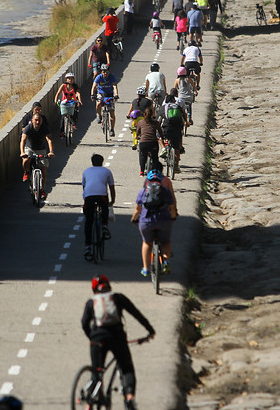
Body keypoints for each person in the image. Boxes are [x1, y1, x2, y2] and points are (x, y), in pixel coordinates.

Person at [81, 275, 155, 410]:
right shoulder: (117, 298)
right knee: (126, 368)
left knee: (97, 372)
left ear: (94, 290)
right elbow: (136, 313)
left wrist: (92, 337)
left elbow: (84, 323)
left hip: (98, 339)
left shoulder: (91, 302)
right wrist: (150, 330)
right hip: (117, 337)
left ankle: (89, 404)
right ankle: (129, 397)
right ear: (109, 286)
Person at [131, 169, 177, 276]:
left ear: (148, 181)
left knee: (147, 242)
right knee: (165, 242)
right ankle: (166, 261)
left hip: (147, 222)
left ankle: (146, 268)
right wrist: (173, 218)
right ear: (161, 180)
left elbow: (137, 210)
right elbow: (172, 207)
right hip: (163, 221)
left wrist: (134, 219)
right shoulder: (165, 191)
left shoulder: (143, 192)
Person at [82, 154, 116, 261]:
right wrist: (112, 201)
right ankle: (105, 226)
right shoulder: (107, 171)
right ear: (102, 161)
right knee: (104, 207)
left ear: (92, 162)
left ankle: (87, 247)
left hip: (89, 196)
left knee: (88, 221)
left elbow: (84, 187)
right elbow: (111, 188)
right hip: (102, 196)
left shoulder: (86, 171)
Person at [20, 113, 54, 198]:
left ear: (42, 121)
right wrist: (22, 152)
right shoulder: (28, 128)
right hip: (30, 148)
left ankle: (42, 189)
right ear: (32, 121)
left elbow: (49, 140)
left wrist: (51, 151)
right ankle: (26, 172)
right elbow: (23, 141)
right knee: (26, 160)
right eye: (36, 120)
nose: (38, 122)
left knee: (43, 169)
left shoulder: (44, 128)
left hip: (41, 149)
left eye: (39, 120)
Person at [135, 106, 165, 176]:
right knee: (155, 157)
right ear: (152, 114)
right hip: (153, 142)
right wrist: (162, 137)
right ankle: (156, 171)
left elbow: (137, 133)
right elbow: (160, 132)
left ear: (144, 114)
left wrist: (137, 137)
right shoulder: (156, 123)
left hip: (143, 143)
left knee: (142, 155)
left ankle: (142, 171)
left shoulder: (140, 122)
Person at [91, 64, 119, 137]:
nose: (105, 73)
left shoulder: (112, 77)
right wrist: (92, 95)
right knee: (98, 103)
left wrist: (116, 95)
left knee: (112, 112)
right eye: (104, 72)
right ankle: (99, 115)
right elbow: (94, 86)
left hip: (109, 94)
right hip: (101, 94)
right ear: (101, 72)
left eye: (107, 72)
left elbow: (115, 86)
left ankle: (112, 129)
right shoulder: (99, 77)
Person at [159, 93, 185, 173]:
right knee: (177, 147)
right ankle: (176, 166)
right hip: (177, 129)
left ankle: (163, 148)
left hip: (167, 128)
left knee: (159, 137)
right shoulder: (178, 107)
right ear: (174, 100)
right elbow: (183, 118)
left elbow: (158, 120)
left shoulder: (163, 108)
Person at [54, 72, 82, 137]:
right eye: (69, 78)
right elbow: (58, 93)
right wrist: (56, 100)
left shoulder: (75, 86)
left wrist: (79, 101)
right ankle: (62, 132)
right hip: (65, 103)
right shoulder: (63, 86)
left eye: (72, 78)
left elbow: (78, 93)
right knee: (63, 116)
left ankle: (74, 125)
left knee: (75, 112)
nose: (70, 80)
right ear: (66, 79)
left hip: (73, 102)